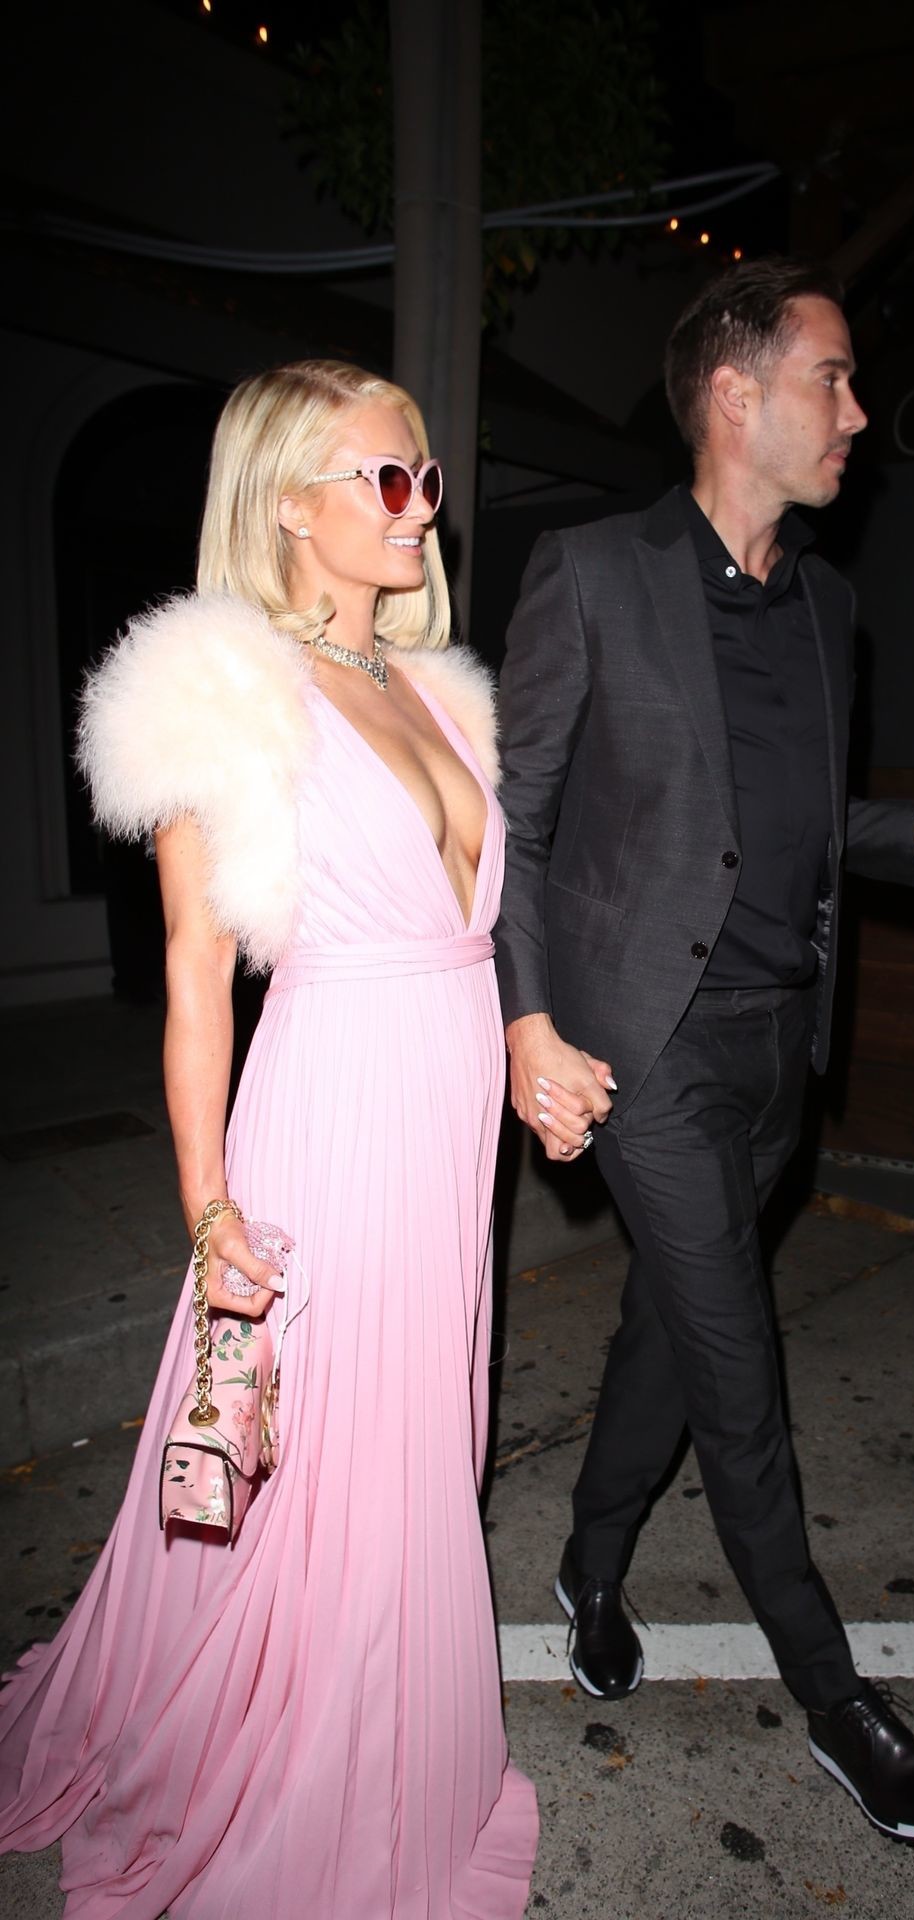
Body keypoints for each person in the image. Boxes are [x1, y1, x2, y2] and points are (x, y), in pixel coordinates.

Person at [493, 257, 914, 1849]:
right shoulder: (594, 573)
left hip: (779, 1048)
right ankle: (838, 1703)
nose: (860, 414)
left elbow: (793, 833)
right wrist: (526, 1021)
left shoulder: (828, 608)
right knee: (741, 1376)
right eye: (835, 379)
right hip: (645, 1054)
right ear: (736, 395)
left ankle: (591, 1561)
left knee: (671, 1329)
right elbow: (514, 826)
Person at [0, 360, 538, 1916]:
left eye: (428, 478)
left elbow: (475, 927)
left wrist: (528, 1043)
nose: (420, 508)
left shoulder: (435, 687)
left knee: (421, 1431)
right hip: (334, 1112)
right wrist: (207, 1206)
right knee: (319, 1463)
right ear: (290, 505)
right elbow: (193, 983)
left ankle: (400, 1737)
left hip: (446, 1121)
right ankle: (302, 1771)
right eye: (387, 479)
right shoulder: (225, 694)